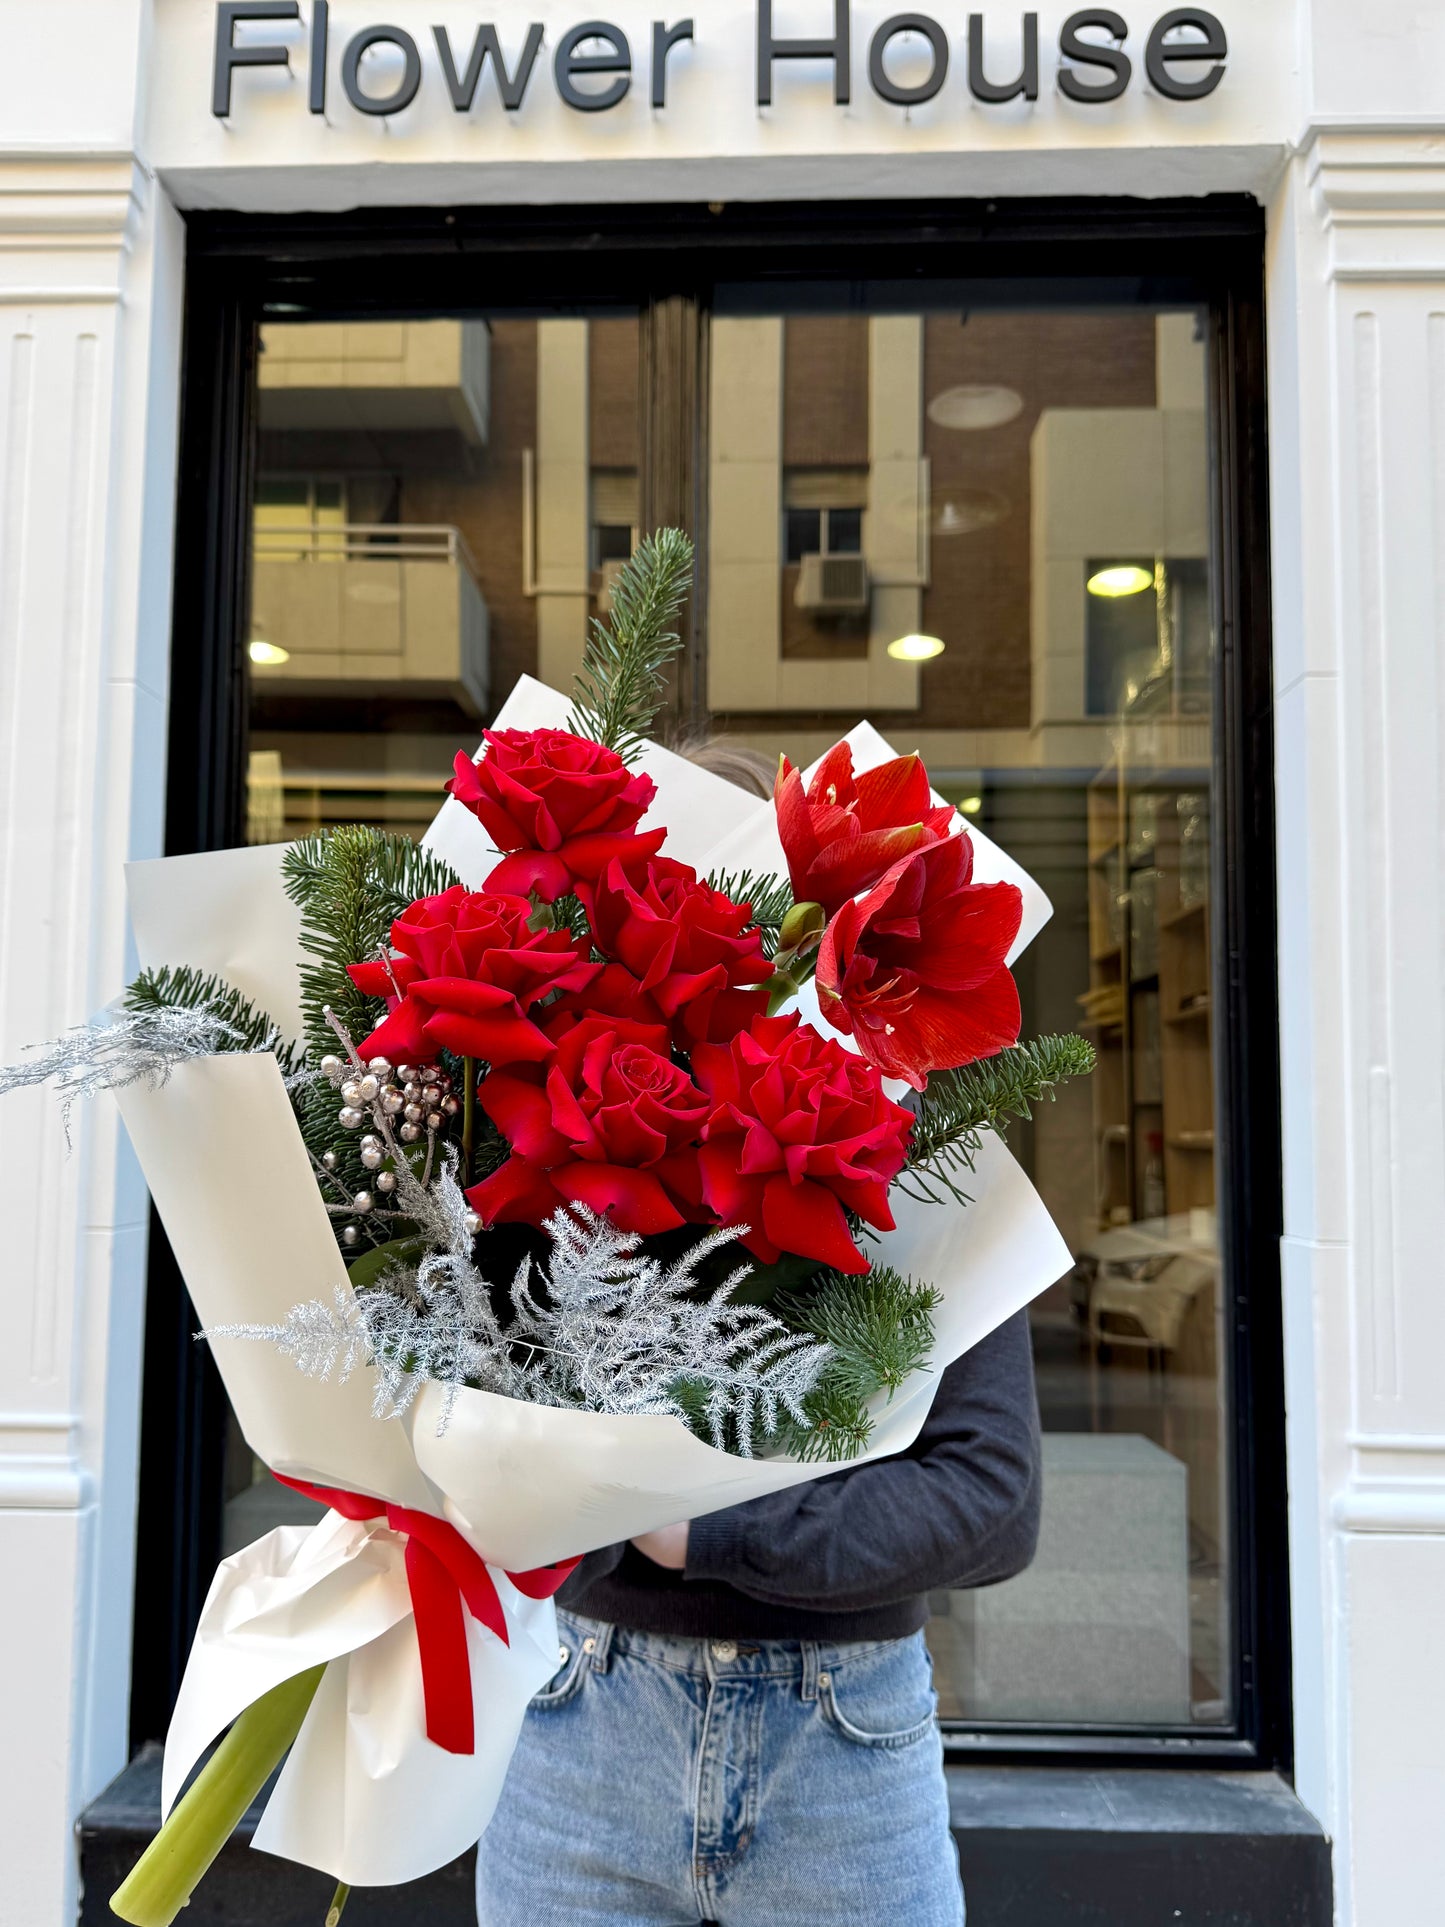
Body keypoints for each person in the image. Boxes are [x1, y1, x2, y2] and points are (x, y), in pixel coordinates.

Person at [474, 735, 1044, 1927]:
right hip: (580, 1723)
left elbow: (990, 1496)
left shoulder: (909, 1149)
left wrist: (711, 1529)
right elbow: (467, 1406)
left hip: (842, 1752)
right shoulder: (554, 1126)